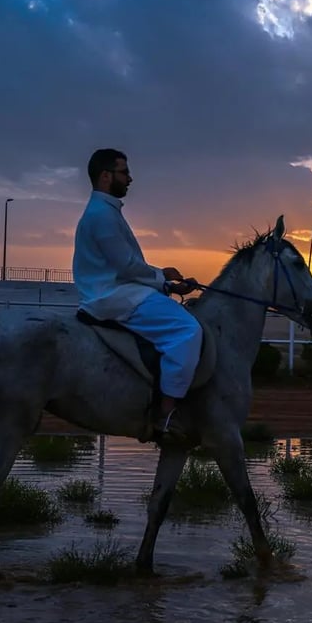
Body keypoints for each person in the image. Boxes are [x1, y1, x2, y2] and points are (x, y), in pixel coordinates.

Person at [72, 147, 202, 443]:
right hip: (113, 296)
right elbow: (127, 266)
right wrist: (163, 278)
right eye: (124, 172)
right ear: (106, 176)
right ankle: (166, 413)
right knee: (188, 330)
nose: (130, 178)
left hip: (118, 290)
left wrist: (167, 285)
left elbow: (127, 267)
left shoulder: (105, 211)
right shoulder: (101, 215)